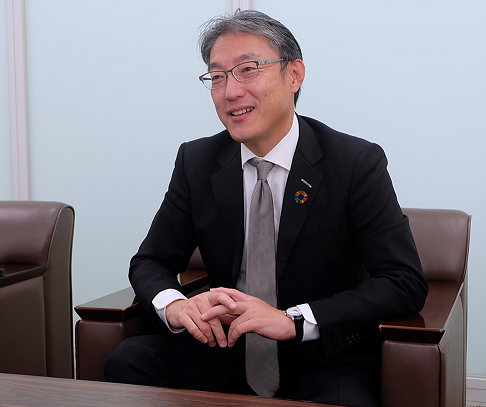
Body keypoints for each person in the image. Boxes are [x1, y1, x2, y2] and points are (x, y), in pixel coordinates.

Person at [105, 10, 428, 407]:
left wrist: (294, 319)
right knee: (128, 360)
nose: (230, 92)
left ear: (294, 75)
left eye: (248, 70)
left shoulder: (354, 162)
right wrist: (175, 306)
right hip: (225, 347)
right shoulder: (197, 162)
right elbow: (150, 261)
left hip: (320, 358)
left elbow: (403, 280)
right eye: (217, 77)